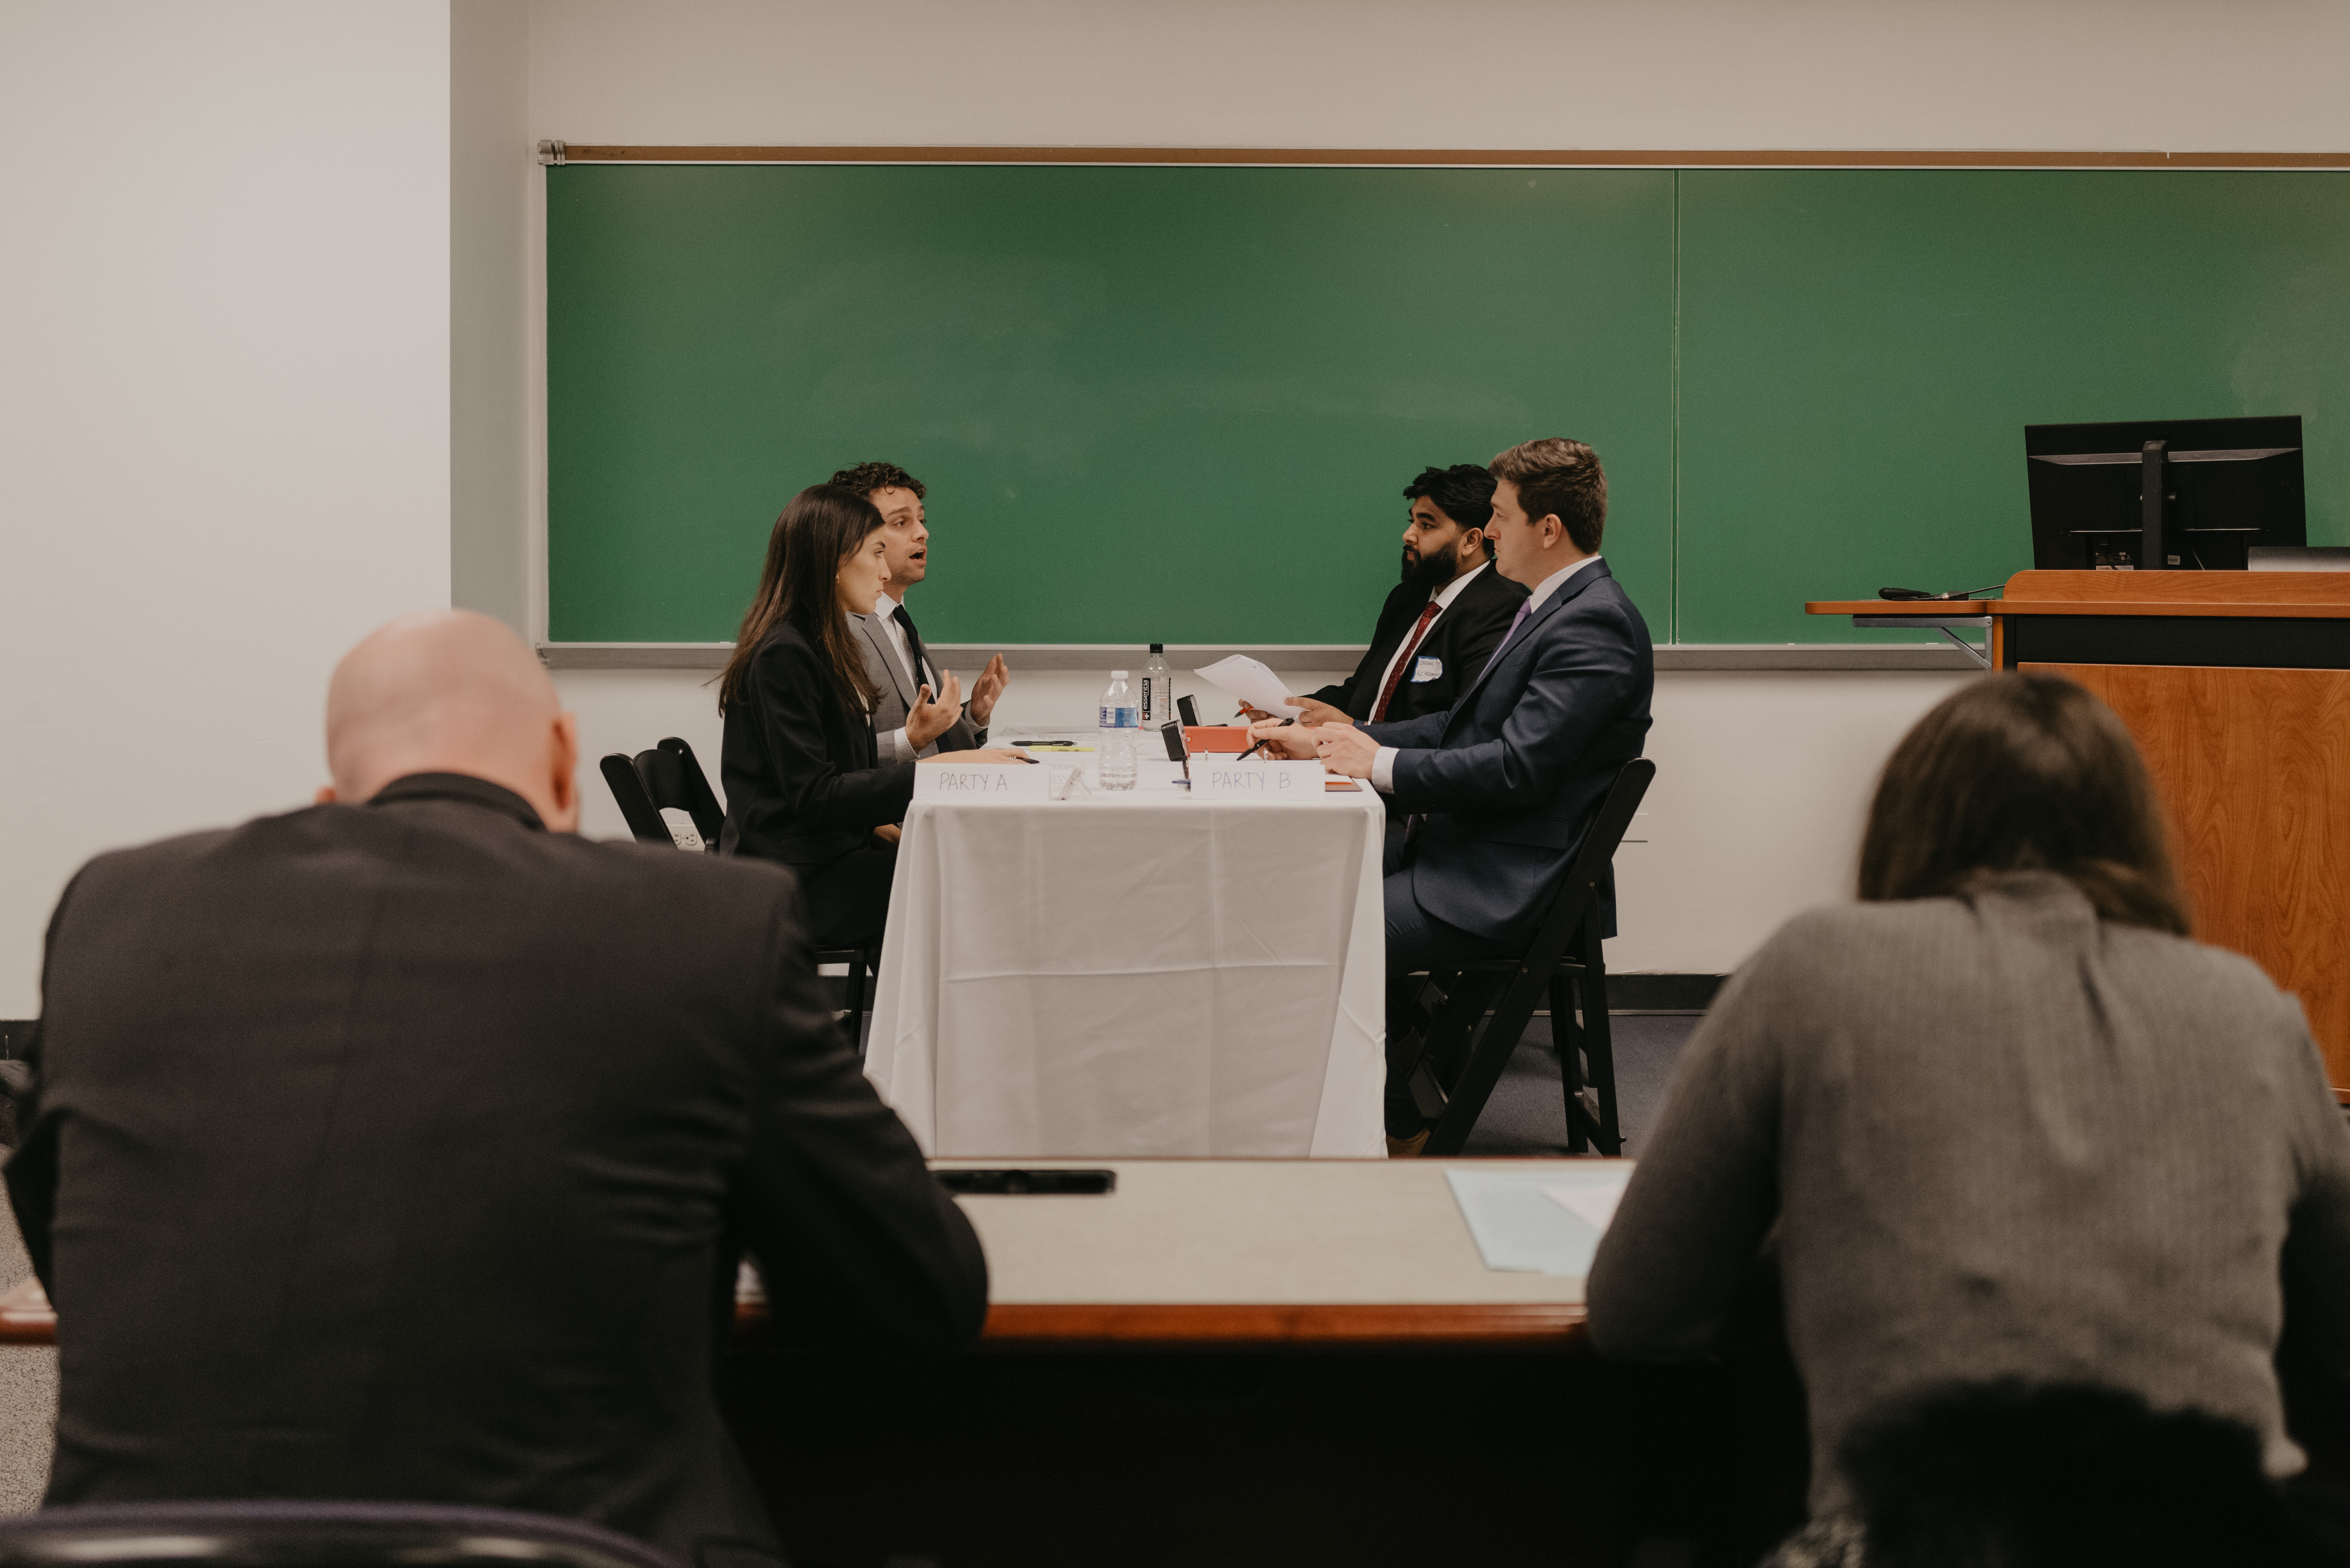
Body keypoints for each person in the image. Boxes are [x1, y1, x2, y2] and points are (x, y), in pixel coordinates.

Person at [2, 610, 989, 1566]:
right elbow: (912, 1294)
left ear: (329, 801)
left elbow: (63, 1237)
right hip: (593, 1540)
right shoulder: (703, 924)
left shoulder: (116, 911)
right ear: (566, 757)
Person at [1585, 671, 2350, 1543]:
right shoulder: (2254, 1008)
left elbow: (1639, 1310)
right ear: (2135, 835)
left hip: (1929, 1538)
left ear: (1908, 821)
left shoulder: (1815, 969)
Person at [1251, 437, 1654, 1156]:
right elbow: (1461, 723)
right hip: (1469, 850)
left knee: (1319, 932)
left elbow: (1516, 769)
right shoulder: (1548, 607)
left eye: (1498, 516)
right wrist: (1331, 742)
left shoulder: (1593, 622)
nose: (1488, 531)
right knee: (1297, 894)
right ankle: (1340, 1109)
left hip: (1502, 879)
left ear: (1547, 529)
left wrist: (1381, 766)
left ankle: (1400, 1123)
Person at [718, 483, 1022, 947]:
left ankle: (930, 1018)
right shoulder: (784, 655)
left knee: (962, 864)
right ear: (833, 562)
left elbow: (840, 765)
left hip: (827, 855)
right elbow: (816, 797)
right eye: (876, 553)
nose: (884, 573)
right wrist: (937, 772)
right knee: (970, 877)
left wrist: (886, 816)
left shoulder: (820, 645)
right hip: (792, 880)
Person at [1287, 464, 1528, 729]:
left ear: (1470, 541)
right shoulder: (1407, 597)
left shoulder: (1504, 609)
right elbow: (1359, 692)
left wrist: (1356, 730)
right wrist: (1285, 709)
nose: (1408, 535)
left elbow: (1464, 726)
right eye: (1411, 521)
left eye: (1426, 525)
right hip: (1356, 761)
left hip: (1412, 766)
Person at [828, 460, 1011, 761]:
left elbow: (929, 738)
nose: (923, 533)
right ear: (855, 536)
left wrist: (973, 715)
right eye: (901, 523)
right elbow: (838, 756)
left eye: (921, 520)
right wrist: (911, 739)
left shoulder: (899, 620)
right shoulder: (840, 629)